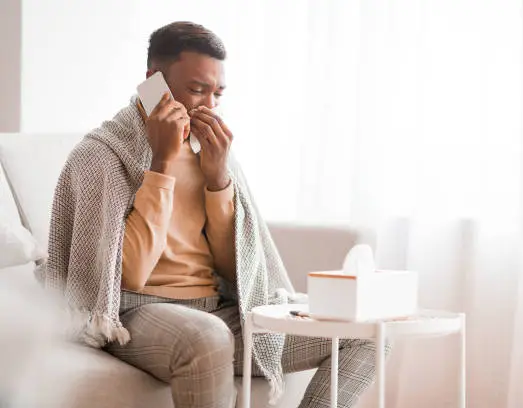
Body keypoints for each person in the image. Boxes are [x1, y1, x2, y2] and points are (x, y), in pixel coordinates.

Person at [40, 21, 386, 408]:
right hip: (135, 313)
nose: (209, 106)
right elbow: (131, 273)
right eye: (196, 89)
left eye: (217, 94)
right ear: (154, 80)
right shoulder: (100, 155)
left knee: (365, 332)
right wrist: (161, 164)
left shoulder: (213, 152)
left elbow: (230, 267)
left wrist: (218, 181)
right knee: (206, 336)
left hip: (216, 310)